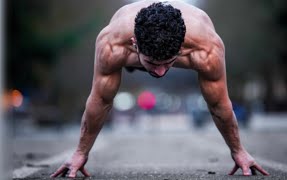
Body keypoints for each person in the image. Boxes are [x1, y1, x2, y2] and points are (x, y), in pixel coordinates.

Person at [51, 1, 269, 178]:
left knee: (174, 71)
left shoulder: (207, 48)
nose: (162, 72)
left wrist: (238, 150)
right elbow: (100, 100)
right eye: (153, 64)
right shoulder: (112, 44)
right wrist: (80, 152)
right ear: (135, 43)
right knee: (114, 83)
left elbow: (219, 103)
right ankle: (153, 60)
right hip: (130, 51)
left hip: (174, 47)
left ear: (181, 46)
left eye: (169, 62)